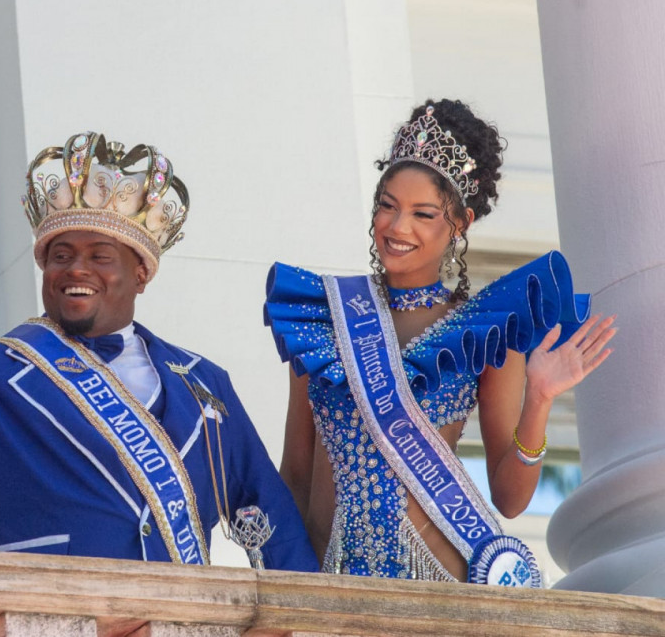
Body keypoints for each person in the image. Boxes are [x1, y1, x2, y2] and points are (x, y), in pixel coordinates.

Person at [0, 132, 317, 570]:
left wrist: (303, 618)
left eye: (100, 256)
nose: (76, 269)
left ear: (140, 273)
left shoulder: (202, 382)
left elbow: (267, 511)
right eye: (61, 256)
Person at [263, 99, 616, 586]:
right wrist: (284, 587)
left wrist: (539, 399)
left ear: (460, 223)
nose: (397, 227)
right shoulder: (324, 317)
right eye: (387, 205)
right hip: (332, 588)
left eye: (422, 213)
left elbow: (510, 499)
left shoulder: (486, 333)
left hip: (437, 587)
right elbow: (295, 475)